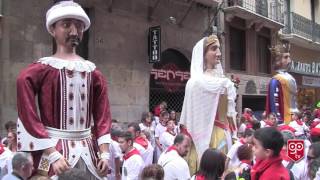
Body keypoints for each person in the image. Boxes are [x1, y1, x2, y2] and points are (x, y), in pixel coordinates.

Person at [16, 1, 112, 179]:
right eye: (66, 25)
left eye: (79, 26)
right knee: (44, 176)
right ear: (53, 30)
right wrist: (51, 153)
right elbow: (27, 113)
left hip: (90, 152)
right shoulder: (41, 69)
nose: (74, 31)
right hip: (51, 152)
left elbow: (103, 117)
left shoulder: (94, 72)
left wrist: (105, 153)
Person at [179, 35, 237, 173]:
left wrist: (234, 135)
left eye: (219, 49)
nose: (219, 53)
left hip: (224, 135)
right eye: (213, 49)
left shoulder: (224, 81)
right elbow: (189, 117)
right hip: (204, 136)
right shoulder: (195, 83)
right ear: (203, 54)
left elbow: (230, 115)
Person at [266, 40, 298, 125]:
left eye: (289, 57)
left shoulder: (289, 77)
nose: (289, 60)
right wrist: (278, 119)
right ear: (278, 60)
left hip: (294, 117)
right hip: (285, 119)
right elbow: (274, 102)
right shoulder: (275, 80)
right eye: (286, 57)